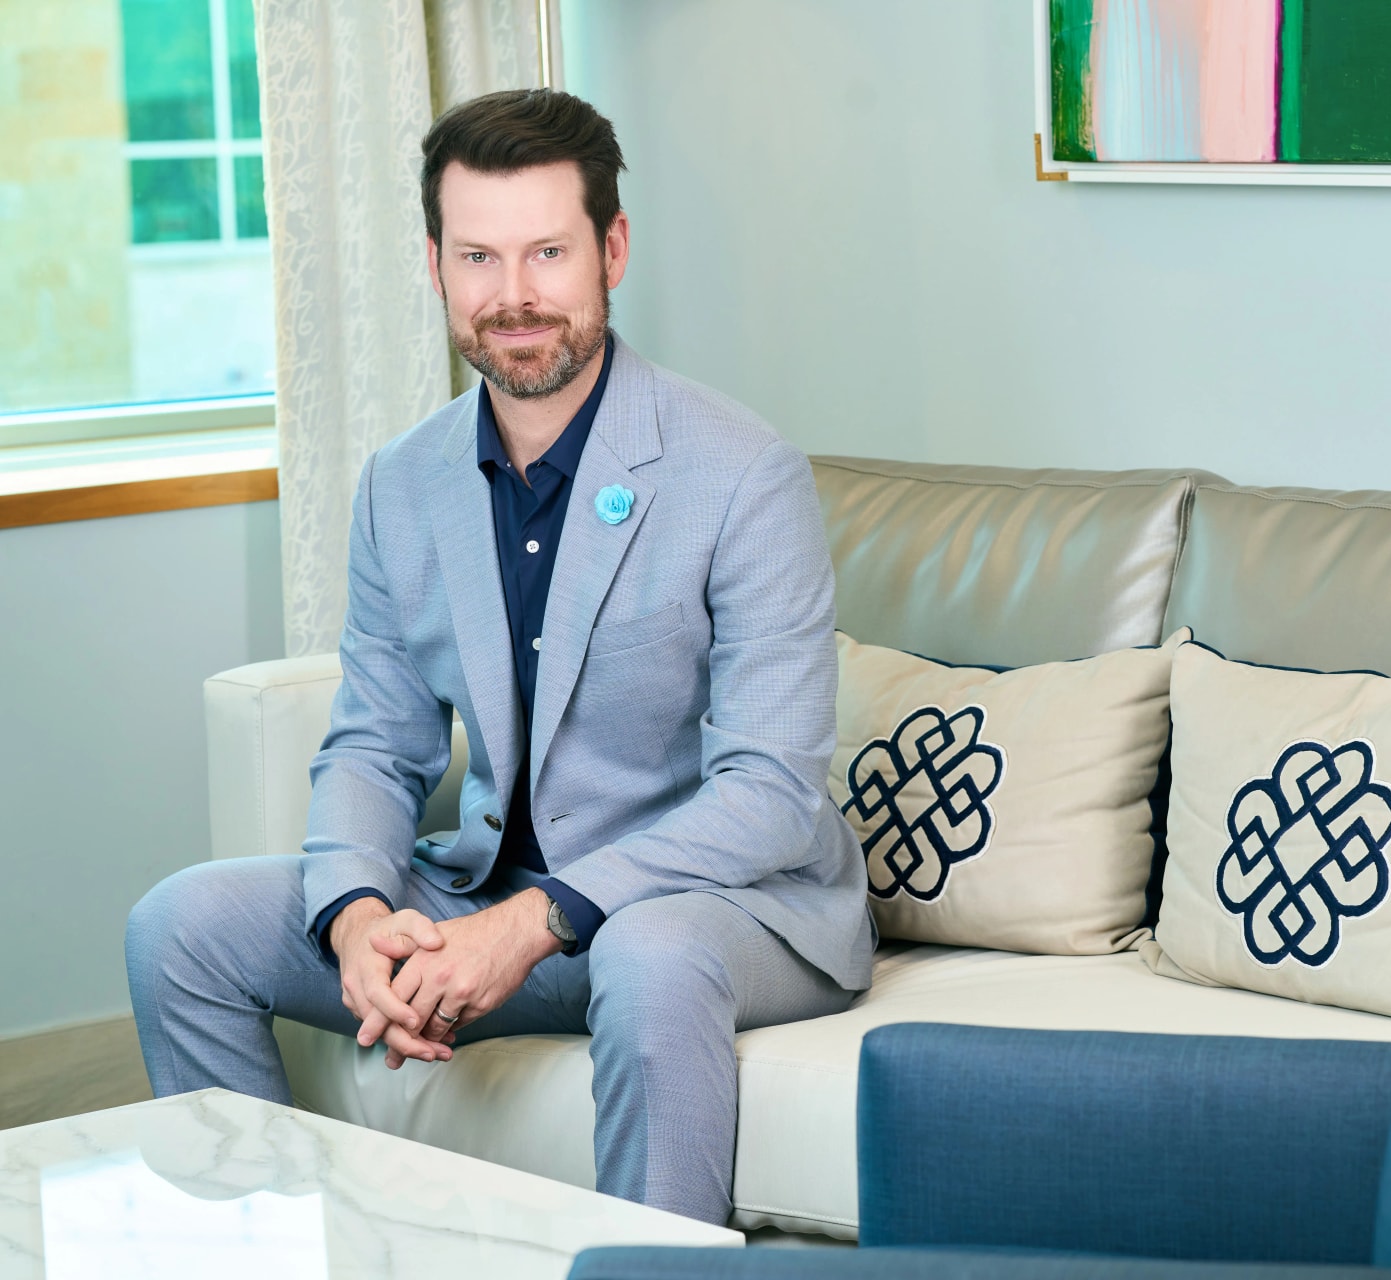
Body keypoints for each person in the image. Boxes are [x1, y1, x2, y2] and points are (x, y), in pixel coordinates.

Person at [125, 88, 873, 1225]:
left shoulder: (743, 473)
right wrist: (358, 915)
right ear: (433, 264)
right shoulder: (402, 481)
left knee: (653, 955)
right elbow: (377, 738)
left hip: (711, 906)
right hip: (482, 889)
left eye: (546, 253)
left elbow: (770, 793)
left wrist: (526, 925)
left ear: (611, 249)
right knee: (178, 925)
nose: (513, 296)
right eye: (478, 255)